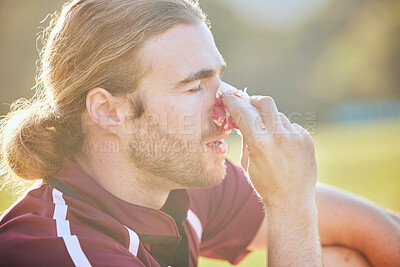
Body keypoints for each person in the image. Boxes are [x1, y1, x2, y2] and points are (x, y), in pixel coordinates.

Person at [0, 0, 399, 266]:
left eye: (218, 80)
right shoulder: (62, 253)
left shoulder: (179, 180)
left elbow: (379, 227)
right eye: (195, 87)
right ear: (108, 111)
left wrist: (295, 207)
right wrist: (290, 206)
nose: (227, 109)